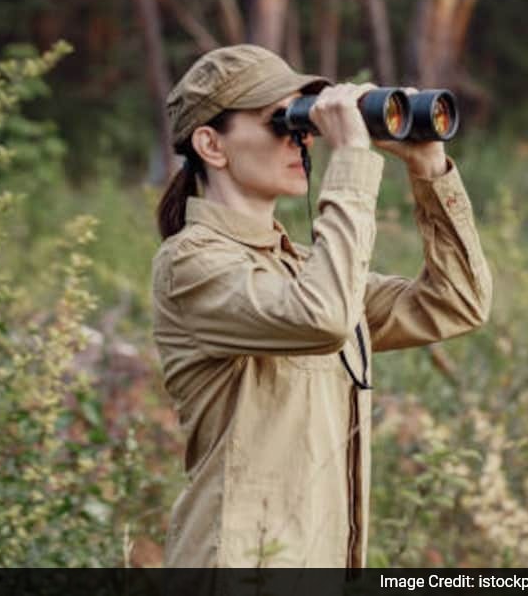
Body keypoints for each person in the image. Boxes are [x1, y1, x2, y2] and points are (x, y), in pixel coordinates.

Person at [150, 44, 492, 568]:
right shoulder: (191, 266)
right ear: (211, 145)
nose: (302, 135)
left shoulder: (304, 268)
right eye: (280, 121)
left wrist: (429, 169)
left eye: (303, 119)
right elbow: (324, 317)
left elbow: (457, 303)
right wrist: (353, 160)